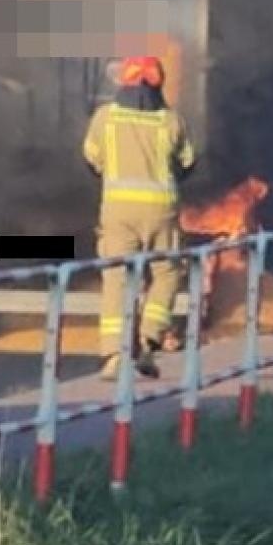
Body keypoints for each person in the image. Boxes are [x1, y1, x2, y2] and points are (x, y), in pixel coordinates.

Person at [83, 55, 197, 381]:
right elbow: (188, 163)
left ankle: (114, 356)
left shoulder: (105, 117)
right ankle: (148, 340)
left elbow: (92, 159)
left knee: (117, 278)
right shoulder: (171, 121)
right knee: (167, 272)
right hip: (161, 210)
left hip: (118, 211)